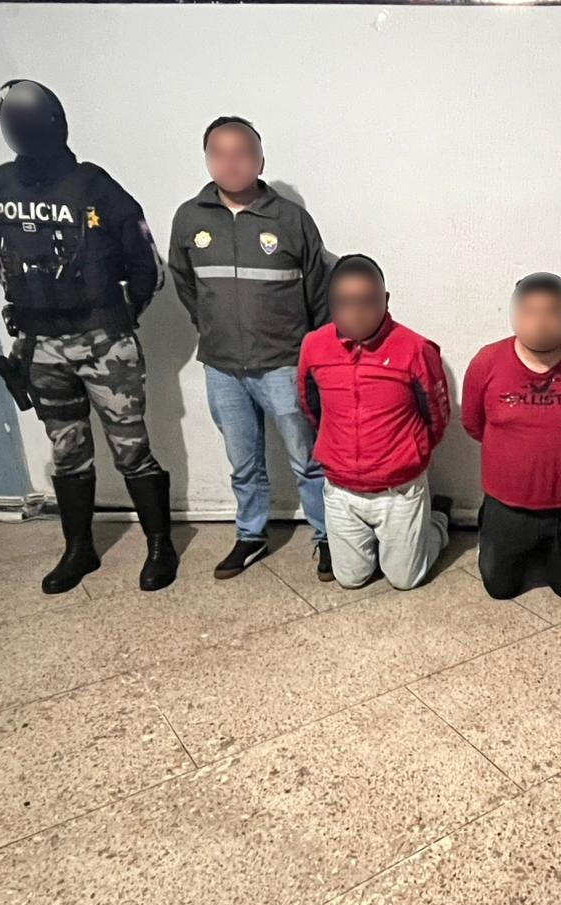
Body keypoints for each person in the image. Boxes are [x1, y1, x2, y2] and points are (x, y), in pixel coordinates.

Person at [0, 79, 177, 594]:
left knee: (131, 449)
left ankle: (160, 547)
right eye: (11, 123)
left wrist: (114, 316)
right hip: (39, 346)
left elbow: (147, 266)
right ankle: (78, 549)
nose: (19, 132)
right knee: (67, 451)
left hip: (103, 341)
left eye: (25, 121)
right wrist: (36, 309)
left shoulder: (95, 186)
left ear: (53, 122)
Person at [169, 117, 331, 581]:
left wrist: (311, 354)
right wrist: (212, 328)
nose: (231, 162)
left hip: (284, 364)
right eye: (219, 153)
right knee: (243, 463)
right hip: (222, 366)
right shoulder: (190, 218)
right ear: (207, 159)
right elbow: (185, 285)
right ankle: (250, 535)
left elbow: (319, 292)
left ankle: (327, 538)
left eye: (241, 153)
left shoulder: (290, 219)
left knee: (309, 460)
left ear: (260, 160)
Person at [296, 255, 452, 590]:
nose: (356, 312)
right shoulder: (314, 346)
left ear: (386, 300)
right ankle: (389, 543)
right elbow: (310, 406)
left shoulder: (415, 349)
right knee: (351, 579)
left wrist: (410, 455)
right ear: (330, 304)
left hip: (399, 489)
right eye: (345, 303)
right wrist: (335, 446)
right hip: (341, 488)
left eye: (367, 302)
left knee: (405, 579)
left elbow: (437, 415)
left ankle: (437, 521)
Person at [462, 273, 561, 600]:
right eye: (531, 312)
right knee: (499, 590)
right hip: (506, 507)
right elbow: (474, 424)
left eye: (552, 312)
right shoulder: (487, 361)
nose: (541, 322)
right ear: (516, 314)